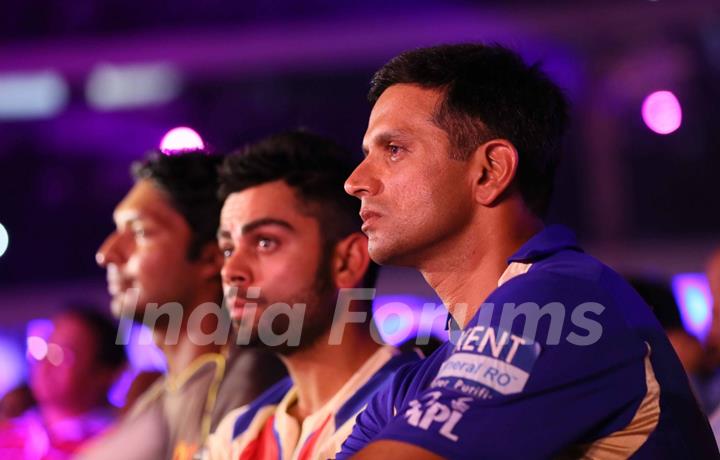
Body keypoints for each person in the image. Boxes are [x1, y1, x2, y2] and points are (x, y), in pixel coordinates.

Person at [340, 43, 718, 458]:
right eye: (366, 155)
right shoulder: (412, 386)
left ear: (490, 171)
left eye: (393, 150)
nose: (355, 181)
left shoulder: (565, 303)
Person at [202, 131, 420, 460]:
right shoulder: (238, 432)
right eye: (228, 248)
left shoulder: (415, 408)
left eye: (265, 242)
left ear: (347, 261)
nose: (231, 270)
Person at [81, 150, 285, 460]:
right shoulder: (157, 398)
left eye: (139, 232)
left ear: (212, 256)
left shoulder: (253, 389)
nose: (107, 253)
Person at [0, 307, 126, 460]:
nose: (45, 364)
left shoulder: (114, 444)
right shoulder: (9, 433)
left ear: (103, 374)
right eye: (46, 348)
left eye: (64, 354)